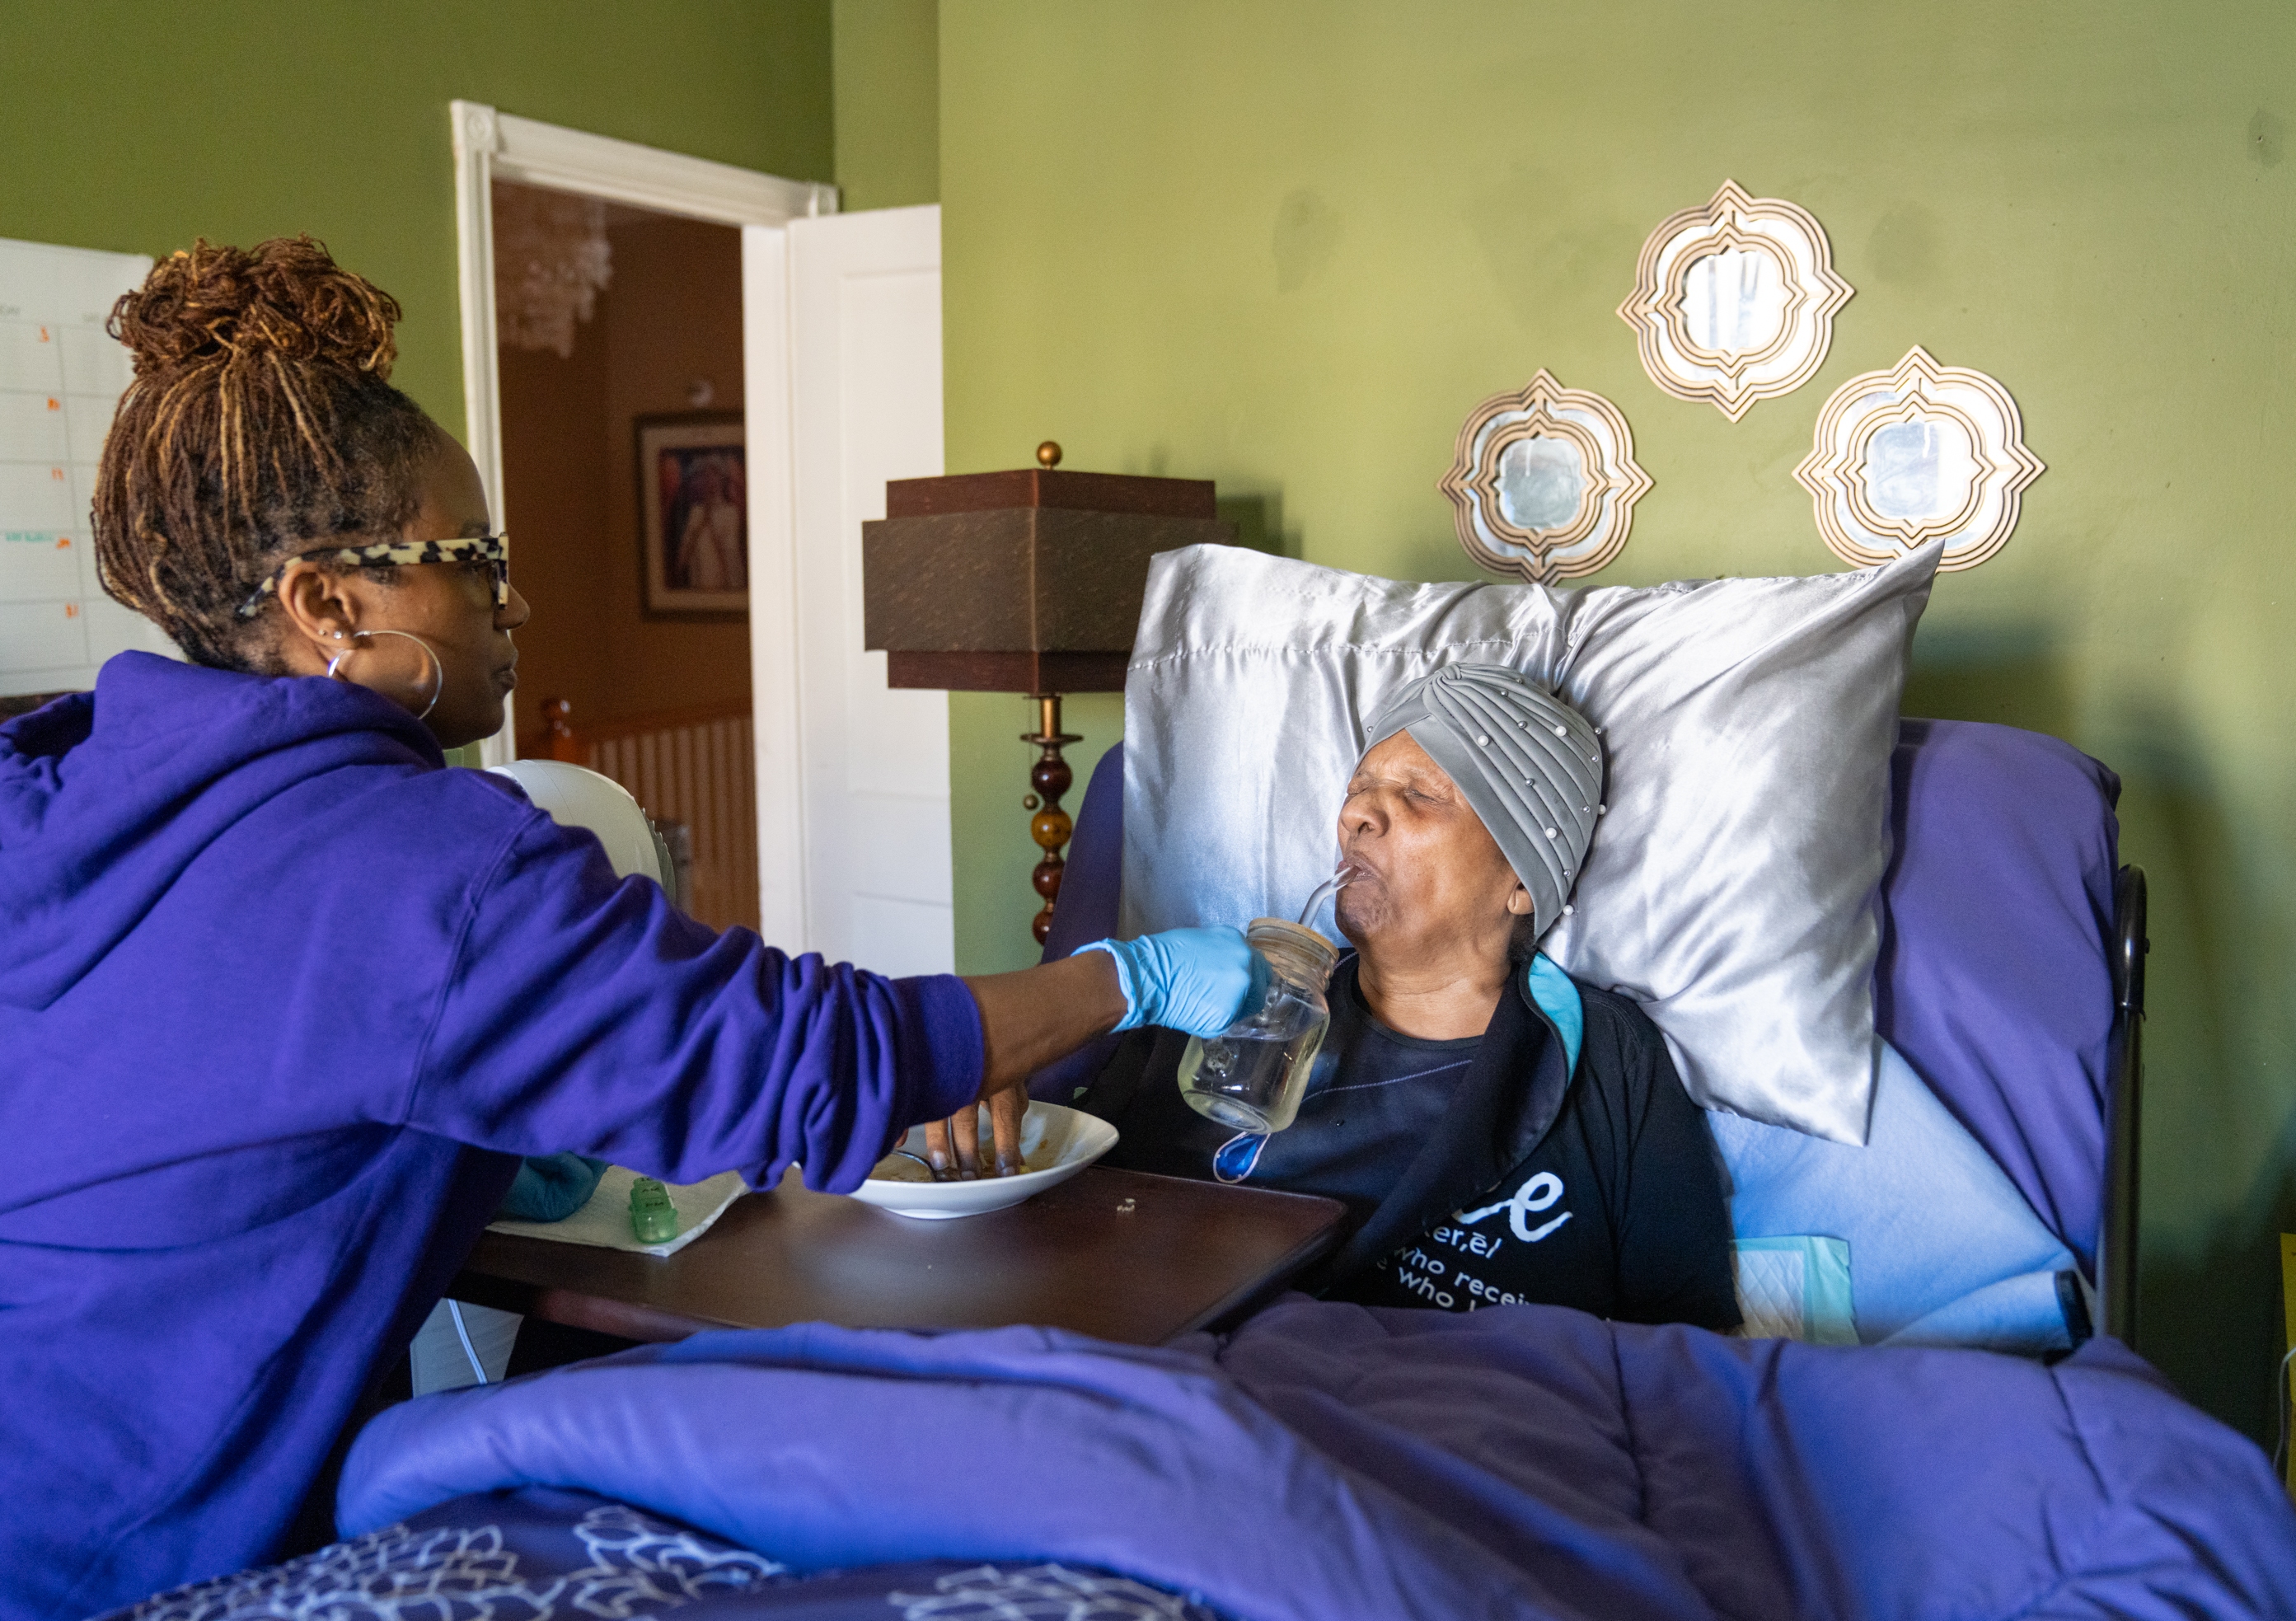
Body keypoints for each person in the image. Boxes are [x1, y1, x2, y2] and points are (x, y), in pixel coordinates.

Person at [0, 238, 1256, 1619]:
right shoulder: (412, 864)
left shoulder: (55, 779)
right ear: (329, 607)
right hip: (125, 1550)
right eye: (471, 559)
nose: (513, 597)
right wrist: (1125, 977)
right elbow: (811, 1055)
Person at [1082, 663, 1741, 1329]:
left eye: (1421, 794)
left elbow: (1688, 1343)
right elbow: (1067, 1199)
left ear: (1521, 882)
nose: (1355, 814)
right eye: (1359, 788)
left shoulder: (1606, 1059)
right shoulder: (1231, 996)